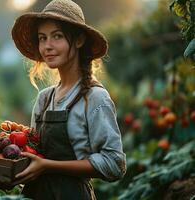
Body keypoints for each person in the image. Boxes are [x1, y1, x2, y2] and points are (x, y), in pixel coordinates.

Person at [11, 0, 126, 199]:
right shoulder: (44, 98)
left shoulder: (94, 98)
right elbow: (34, 154)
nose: (47, 46)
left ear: (79, 40)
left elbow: (114, 164)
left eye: (57, 36)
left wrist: (48, 166)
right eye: (42, 38)